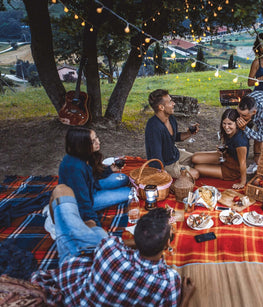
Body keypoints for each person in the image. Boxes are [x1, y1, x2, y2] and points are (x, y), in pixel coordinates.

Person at [32, 184, 196, 306]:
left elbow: (109, 244)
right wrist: (187, 295)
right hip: (81, 256)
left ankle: (62, 229)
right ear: (168, 243)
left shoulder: (110, 248)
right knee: (90, 226)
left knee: (63, 192)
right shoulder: (169, 281)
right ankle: (63, 230)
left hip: (77, 269)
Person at [56, 127, 130, 227]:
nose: (98, 142)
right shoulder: (74, 168)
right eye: (93, 141)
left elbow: (92, 175)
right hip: (86, 200)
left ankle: (103, 189)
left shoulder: (83, 155)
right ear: (81, 145)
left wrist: (110, 170)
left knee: (123, 178)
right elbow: (82, 201)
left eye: (96, 138)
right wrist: (96, 227)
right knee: (129, 192)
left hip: (91, 186)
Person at [145, 89, 199, 180]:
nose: (173, 103)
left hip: (175, 154)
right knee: (196, 173)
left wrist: (189, 133)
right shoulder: (153, 128)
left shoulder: (171, 119)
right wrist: (161, 174)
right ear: (161, 107)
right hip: (166, 164)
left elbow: (173, 137)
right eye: (170, 102)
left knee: (197, 159)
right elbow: (156, 155)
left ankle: (183, 166)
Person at [192, 109, 249, 189]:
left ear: (236, 123)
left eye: (230, 124)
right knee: (195, 157)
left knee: (197, 168)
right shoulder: (228, 133)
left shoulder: (240, 141)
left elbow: (243, 163)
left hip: (231, 170)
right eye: (224, 123)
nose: (226, 127)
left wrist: (242, 183)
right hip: (225, 157)